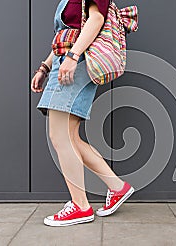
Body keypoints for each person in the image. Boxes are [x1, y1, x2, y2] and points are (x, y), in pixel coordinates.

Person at [30, 0, 134, 227]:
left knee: (60, 137)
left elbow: (96, 19)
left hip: (75, 63)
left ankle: (80, 206)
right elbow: (65, 34)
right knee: (70, 137)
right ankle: (117, 187)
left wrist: (73, 56)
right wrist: (45, 68)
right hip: (65, 61)